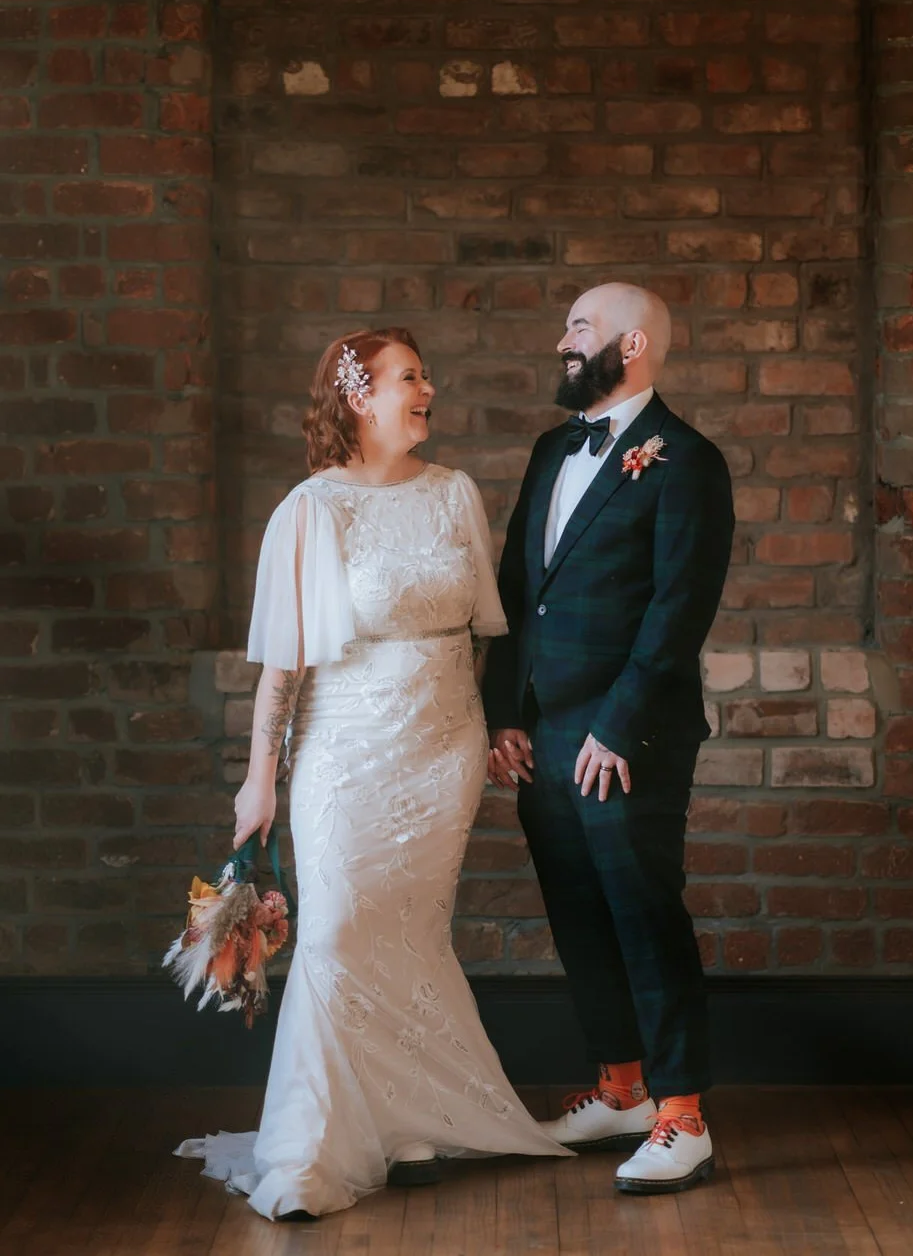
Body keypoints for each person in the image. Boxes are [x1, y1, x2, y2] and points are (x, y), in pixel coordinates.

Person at [177, 327, 569, 1221]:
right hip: (345, 749)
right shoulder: (311, 510)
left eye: (426, 377)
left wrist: (496, 724)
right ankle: (311, 1153)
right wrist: (259, 780)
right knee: (340, 932)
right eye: (407, 379)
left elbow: (487, 632)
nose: (426, 390)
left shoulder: (454, 494)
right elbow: (282, 668)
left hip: (444, 747)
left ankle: (408, 1127)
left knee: (412, 931)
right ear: (358, 396)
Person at [482, 283, 734, 1196]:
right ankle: (621, 1088)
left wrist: (617, 726)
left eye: (577, 328)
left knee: (642, 914)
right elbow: (517, 588)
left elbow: (678, 612)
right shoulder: (553, 448)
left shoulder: (687, 461)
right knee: (577, 916)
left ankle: (682, 1116)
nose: (561, 341)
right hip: (544, 731)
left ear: (629, 345)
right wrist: (504, 713)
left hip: (633, 735)